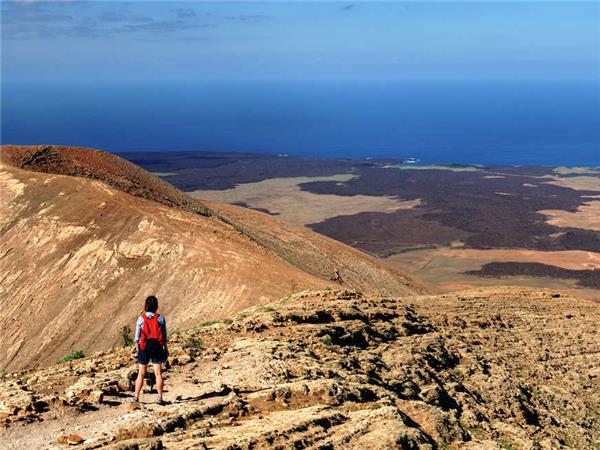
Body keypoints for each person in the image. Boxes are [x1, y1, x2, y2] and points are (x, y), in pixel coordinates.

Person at [133, 295, 169, 405]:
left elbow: (137, 337)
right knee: (158, 373)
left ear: (146, 305)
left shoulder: (141, 318)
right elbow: (164, 336)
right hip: (157, 346)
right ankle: (159, 398)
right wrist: (166, 349)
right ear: (156, 306)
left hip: (144, 346)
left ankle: (136, 397)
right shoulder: (160, 318)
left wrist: (136, 348)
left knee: (141, 373)